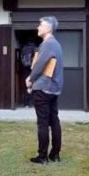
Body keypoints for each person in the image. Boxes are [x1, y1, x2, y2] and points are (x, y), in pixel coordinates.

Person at [25, 16, 64, 164]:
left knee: (43, 123)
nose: (38, 27)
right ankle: (55, 155)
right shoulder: (57, 45)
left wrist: (30, 79)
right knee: (54, 121)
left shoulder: (48, 44)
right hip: (54, 89)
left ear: (48, 28)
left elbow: (40, 65)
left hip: (43, 88)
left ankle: (42, 157)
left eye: (40, 25)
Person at [19, 41, 36, 108]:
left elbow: (21, 59)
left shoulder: (24, 49)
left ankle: (26, 103)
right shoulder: (35, 48)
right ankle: (33, 102)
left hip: (25, 69)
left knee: (26, 86)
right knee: (34, 85)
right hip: (33, 69)